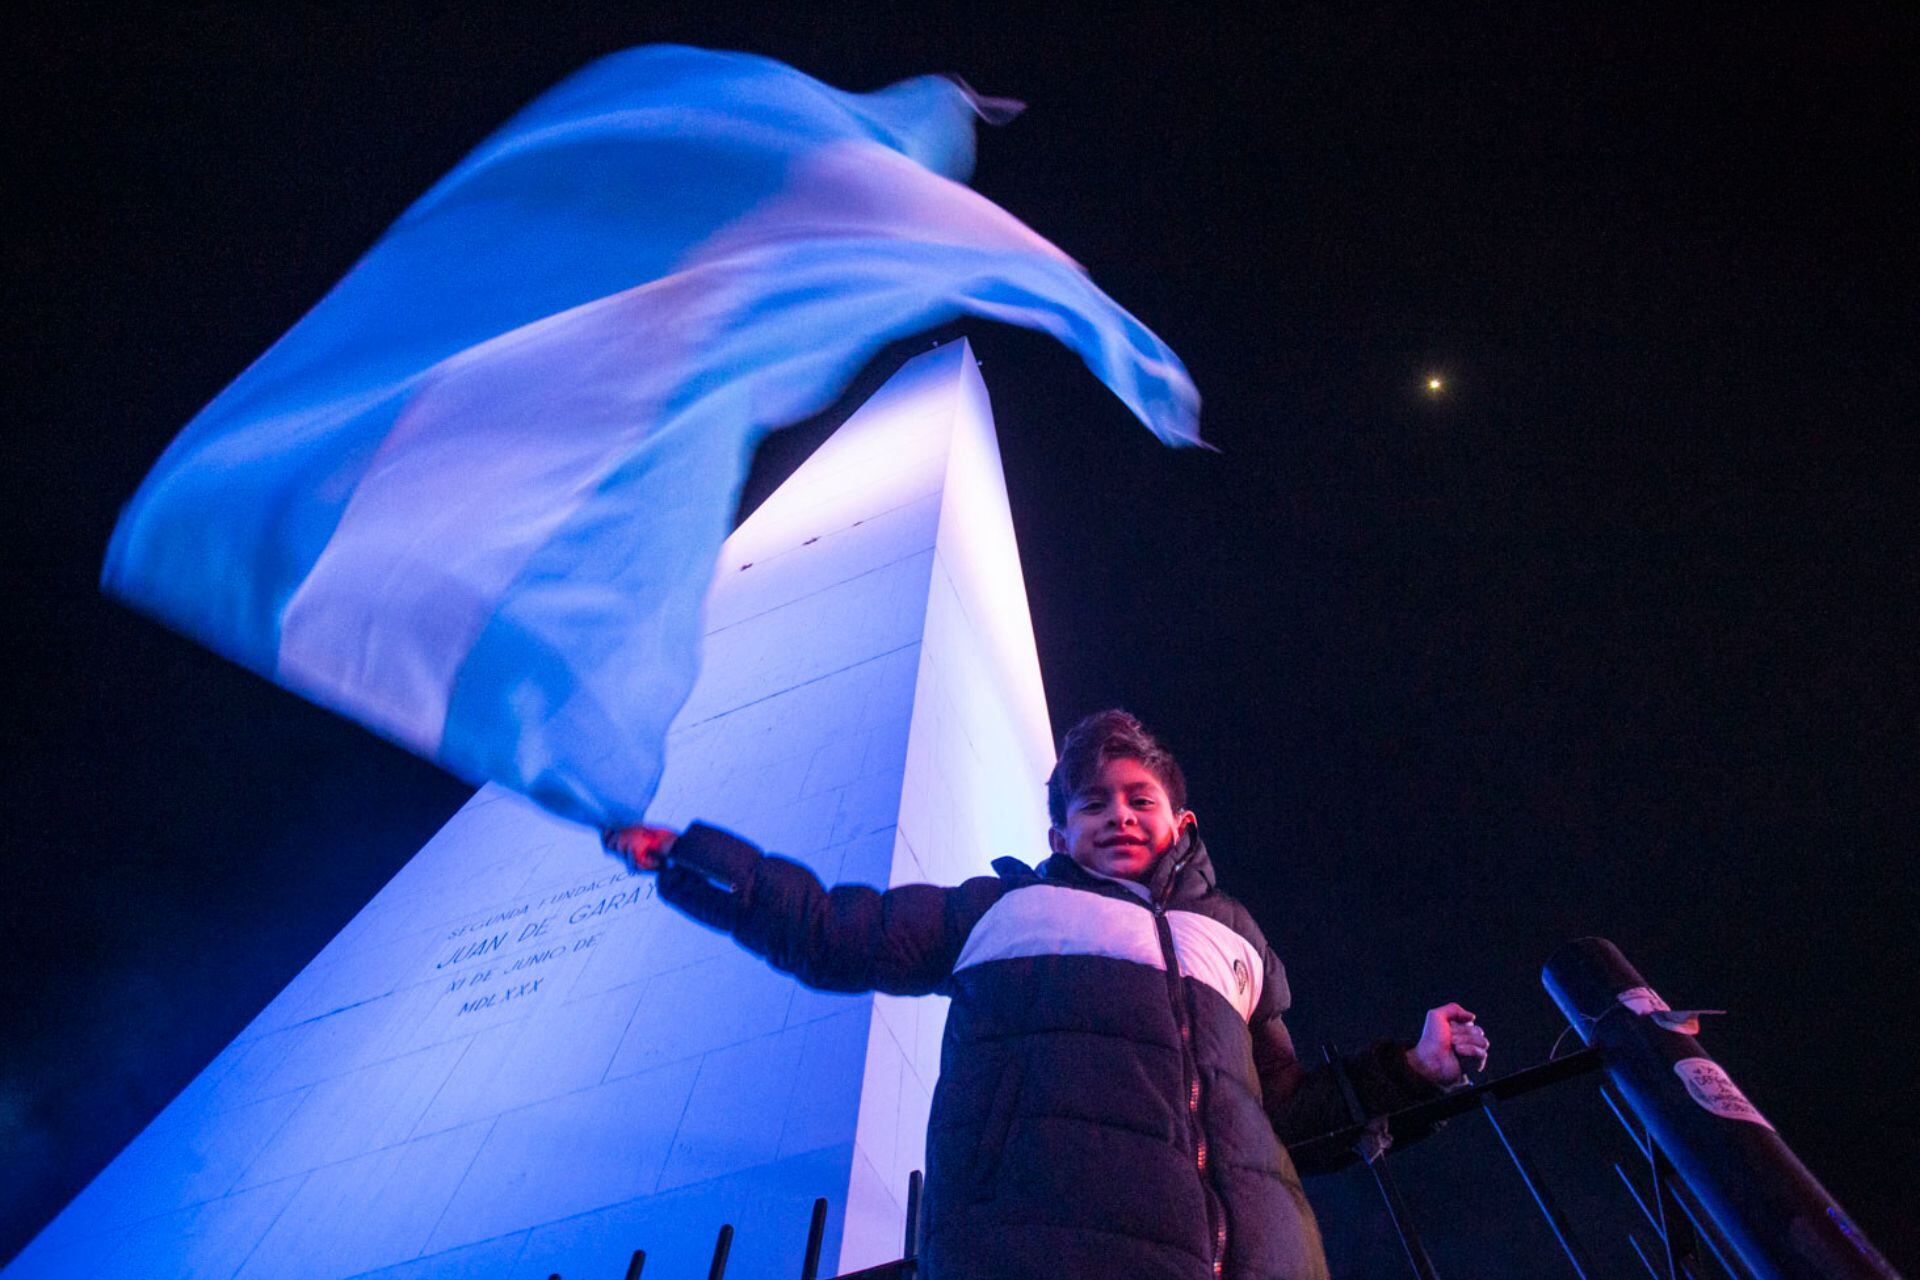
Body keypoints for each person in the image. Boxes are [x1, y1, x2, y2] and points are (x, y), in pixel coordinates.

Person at [604, 709, 1488, 1280]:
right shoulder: (1005, 907)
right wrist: (694, 859)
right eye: (1092, 802)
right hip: (1044, 1248)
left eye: (1139, 798)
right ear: (1058, 830)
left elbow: (1286, 1116)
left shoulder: (1236, 939)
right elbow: (839, 931)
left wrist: (1413, 1071)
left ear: (1180, 824)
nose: (1118, 814)